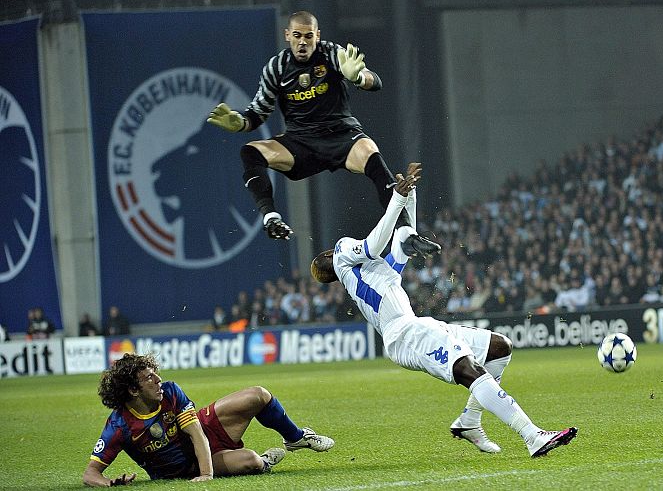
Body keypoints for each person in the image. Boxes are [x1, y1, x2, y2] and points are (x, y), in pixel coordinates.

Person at [310, 163, 577, 457]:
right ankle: (532, 436)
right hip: (404, 334)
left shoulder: (375, 273)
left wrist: (409, 196)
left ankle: (469, 422)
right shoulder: (342, 254)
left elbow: (403, 236)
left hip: (413, 327)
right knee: (468, 369)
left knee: (499, 347)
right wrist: (397, 199)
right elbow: (374, 244)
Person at [206, 10, 439, 257]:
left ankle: (406, 235)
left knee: (371, 154)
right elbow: (257, 113)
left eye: (308, 36)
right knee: (250, 151)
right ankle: (271, 218)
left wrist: (358, 77)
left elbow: (376, 82)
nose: (303, 42)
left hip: (341, 135)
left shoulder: (331, 53)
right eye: (297, 35)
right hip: (300, 143)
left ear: (317, 35)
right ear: (287, 35)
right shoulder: (276, 68)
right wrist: (240, 122)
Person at [83, 352, 334, 486]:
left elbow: (196, 433)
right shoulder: (119, 426)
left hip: (202, 437)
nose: (159, 380)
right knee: (252, 462)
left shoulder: (170, 391)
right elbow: (90, 474)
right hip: (183, 469)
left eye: (156, 374)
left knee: (257, 395)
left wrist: (207, 475)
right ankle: (265, 462)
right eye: (149, 378)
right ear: (133, 390)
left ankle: (296, 438)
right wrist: (109, 483)